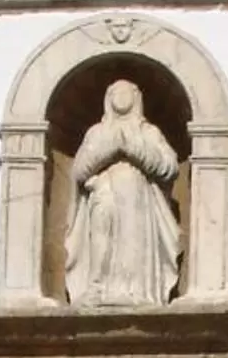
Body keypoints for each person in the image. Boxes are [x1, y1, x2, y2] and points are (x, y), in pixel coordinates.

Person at [63, 79, 182, 306]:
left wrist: (133, 149)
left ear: (136, 98)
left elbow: (169, 167)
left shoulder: (148, 132)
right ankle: (97, 288)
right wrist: (110, 149)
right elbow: (78, 170)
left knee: (132, 241)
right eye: (116, 92)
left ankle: (136, 291)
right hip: (103, 195)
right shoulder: (97, 132)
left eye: (126, 92)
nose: (121, 96)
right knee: (101, 241)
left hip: (138, 199)